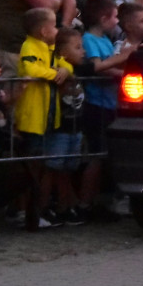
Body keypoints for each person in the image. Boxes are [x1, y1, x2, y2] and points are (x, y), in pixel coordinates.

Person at [13, 6, 68, 229]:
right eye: (54, 25)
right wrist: (55, 74)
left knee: (40, 165)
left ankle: (34, 212)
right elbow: (32, 70)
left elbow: (64, 62)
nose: (57, 30)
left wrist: (64, 70)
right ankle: (24, 213)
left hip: (47, 115)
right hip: (32, 117)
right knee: (31, 167)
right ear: (44, 31)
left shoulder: (49, 47)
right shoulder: (30, 46)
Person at [79, 0, 132, 221]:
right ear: (103, 18)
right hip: (96, 104)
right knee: (97, 156)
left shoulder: (106, 41)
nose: (117, 22)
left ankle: (98, 201)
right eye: (115, 17)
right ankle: (84, 203)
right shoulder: (90, 39)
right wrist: (123, 62)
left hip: (109, 104)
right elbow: (97, 67)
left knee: (105, 156)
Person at [43, 27, 90, 225]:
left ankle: (65, 206)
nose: (83, 51)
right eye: (78, 47)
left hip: (75, 128)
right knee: (52, 167)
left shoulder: (79, 71)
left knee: (67, 169)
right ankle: (42, 208)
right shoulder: (56, 72)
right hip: (59, 129)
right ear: (62, 52)